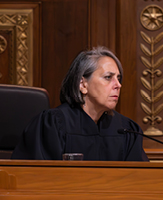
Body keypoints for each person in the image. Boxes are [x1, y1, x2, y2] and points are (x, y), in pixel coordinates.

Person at [11, 46, 149, 161]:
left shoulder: (127, 130)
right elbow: (34, 177)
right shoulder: (53, 124)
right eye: (108, 77)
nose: (118, 85)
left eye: (118, 79)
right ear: (82, 84)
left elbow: (140, 181)